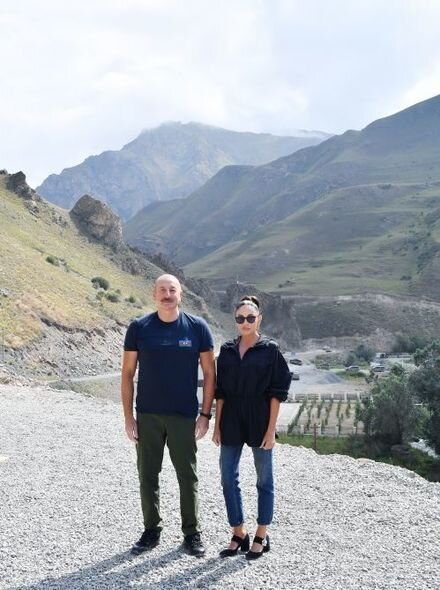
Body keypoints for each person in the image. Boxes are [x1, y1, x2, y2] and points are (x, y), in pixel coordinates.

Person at [121, 274, 216, 557]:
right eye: (162, 290)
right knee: (147, 475)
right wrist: (128, 418)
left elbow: (210, 373)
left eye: (172, 290)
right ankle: (151, 530)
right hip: (147, 415)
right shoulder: (139, 328)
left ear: (180, 294)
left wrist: (205, 415)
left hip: (183, 416)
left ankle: (192, 533)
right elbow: (127, 374)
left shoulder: (197, 328)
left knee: (188, 476)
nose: (167, 294)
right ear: (154, 294)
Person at [212, 295, 291, 560]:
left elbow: (277, 393)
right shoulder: (227, 350)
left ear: (259, 319)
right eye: (240, 318)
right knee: (227, 477)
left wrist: (270, 430)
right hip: (231, 418)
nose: (245, 322)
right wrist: (217, 426)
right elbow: (220, 392)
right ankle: (238, 532)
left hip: (260, 418)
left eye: (250, 317)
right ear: (235, 320)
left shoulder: (271, 350)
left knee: (264, 480)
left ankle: (261, 533)